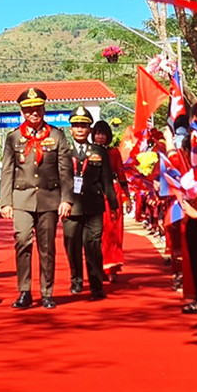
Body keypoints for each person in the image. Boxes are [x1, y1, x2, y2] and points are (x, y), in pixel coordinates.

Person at [0, 87, 73, 310]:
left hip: (49, 198)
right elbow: (7, 171)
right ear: (22, 112)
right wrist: (5, 202)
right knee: (22, 241)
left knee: (47, 247)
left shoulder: (57, 135)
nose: (34, 113)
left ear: (44, 109)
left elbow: (65, 170)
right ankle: (24, 291)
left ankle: (46, 292)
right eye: (29, 110)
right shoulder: (14, 137)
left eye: (37, 109)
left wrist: (66, 199)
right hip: (22, 198)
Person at [61, 108, 119, 301]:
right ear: (70, 129)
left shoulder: (99, 152)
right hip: (71, 206)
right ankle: (76, 279)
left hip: (94, 206)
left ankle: (96, 285)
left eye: (84, 126)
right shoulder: (63, 151)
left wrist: (114, 205)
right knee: (72, 244)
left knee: (93, 245)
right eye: (76, 126)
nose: (79, 130)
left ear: (89, 129)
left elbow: (107, 181)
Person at [92, 120, 129, 283]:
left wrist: (126, 196)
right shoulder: (89, 151)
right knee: (99, 232)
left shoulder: (114, 153)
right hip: (95, 193)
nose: (100, 137)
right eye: (97, 133)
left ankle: (112, 267)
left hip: (113, 193)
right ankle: (99, 266)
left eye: (103, 134)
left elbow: (121, 174)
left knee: (114, 230)